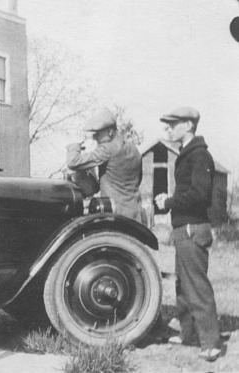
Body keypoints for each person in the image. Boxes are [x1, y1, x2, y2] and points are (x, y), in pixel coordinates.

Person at [154, 106, 223, 362]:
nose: (168, 128)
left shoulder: (200, 156)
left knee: (197, 286)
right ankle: (189, 334)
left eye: (173, 124)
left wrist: (169, 202)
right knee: (183, 286)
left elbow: (200, 196)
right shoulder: (188, 153)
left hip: (193, 228)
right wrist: (170, 200)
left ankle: (212, 343)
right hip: (184, 228)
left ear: (189, 125)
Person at [66, 108, 143, 222]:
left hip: (114, 217)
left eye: (98, 134)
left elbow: (73, 162)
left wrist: (75, 144)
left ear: (110, 132)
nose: (94, 138)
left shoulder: (106, 149)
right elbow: (138, 179)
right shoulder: (134, 149)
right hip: (135, 216)